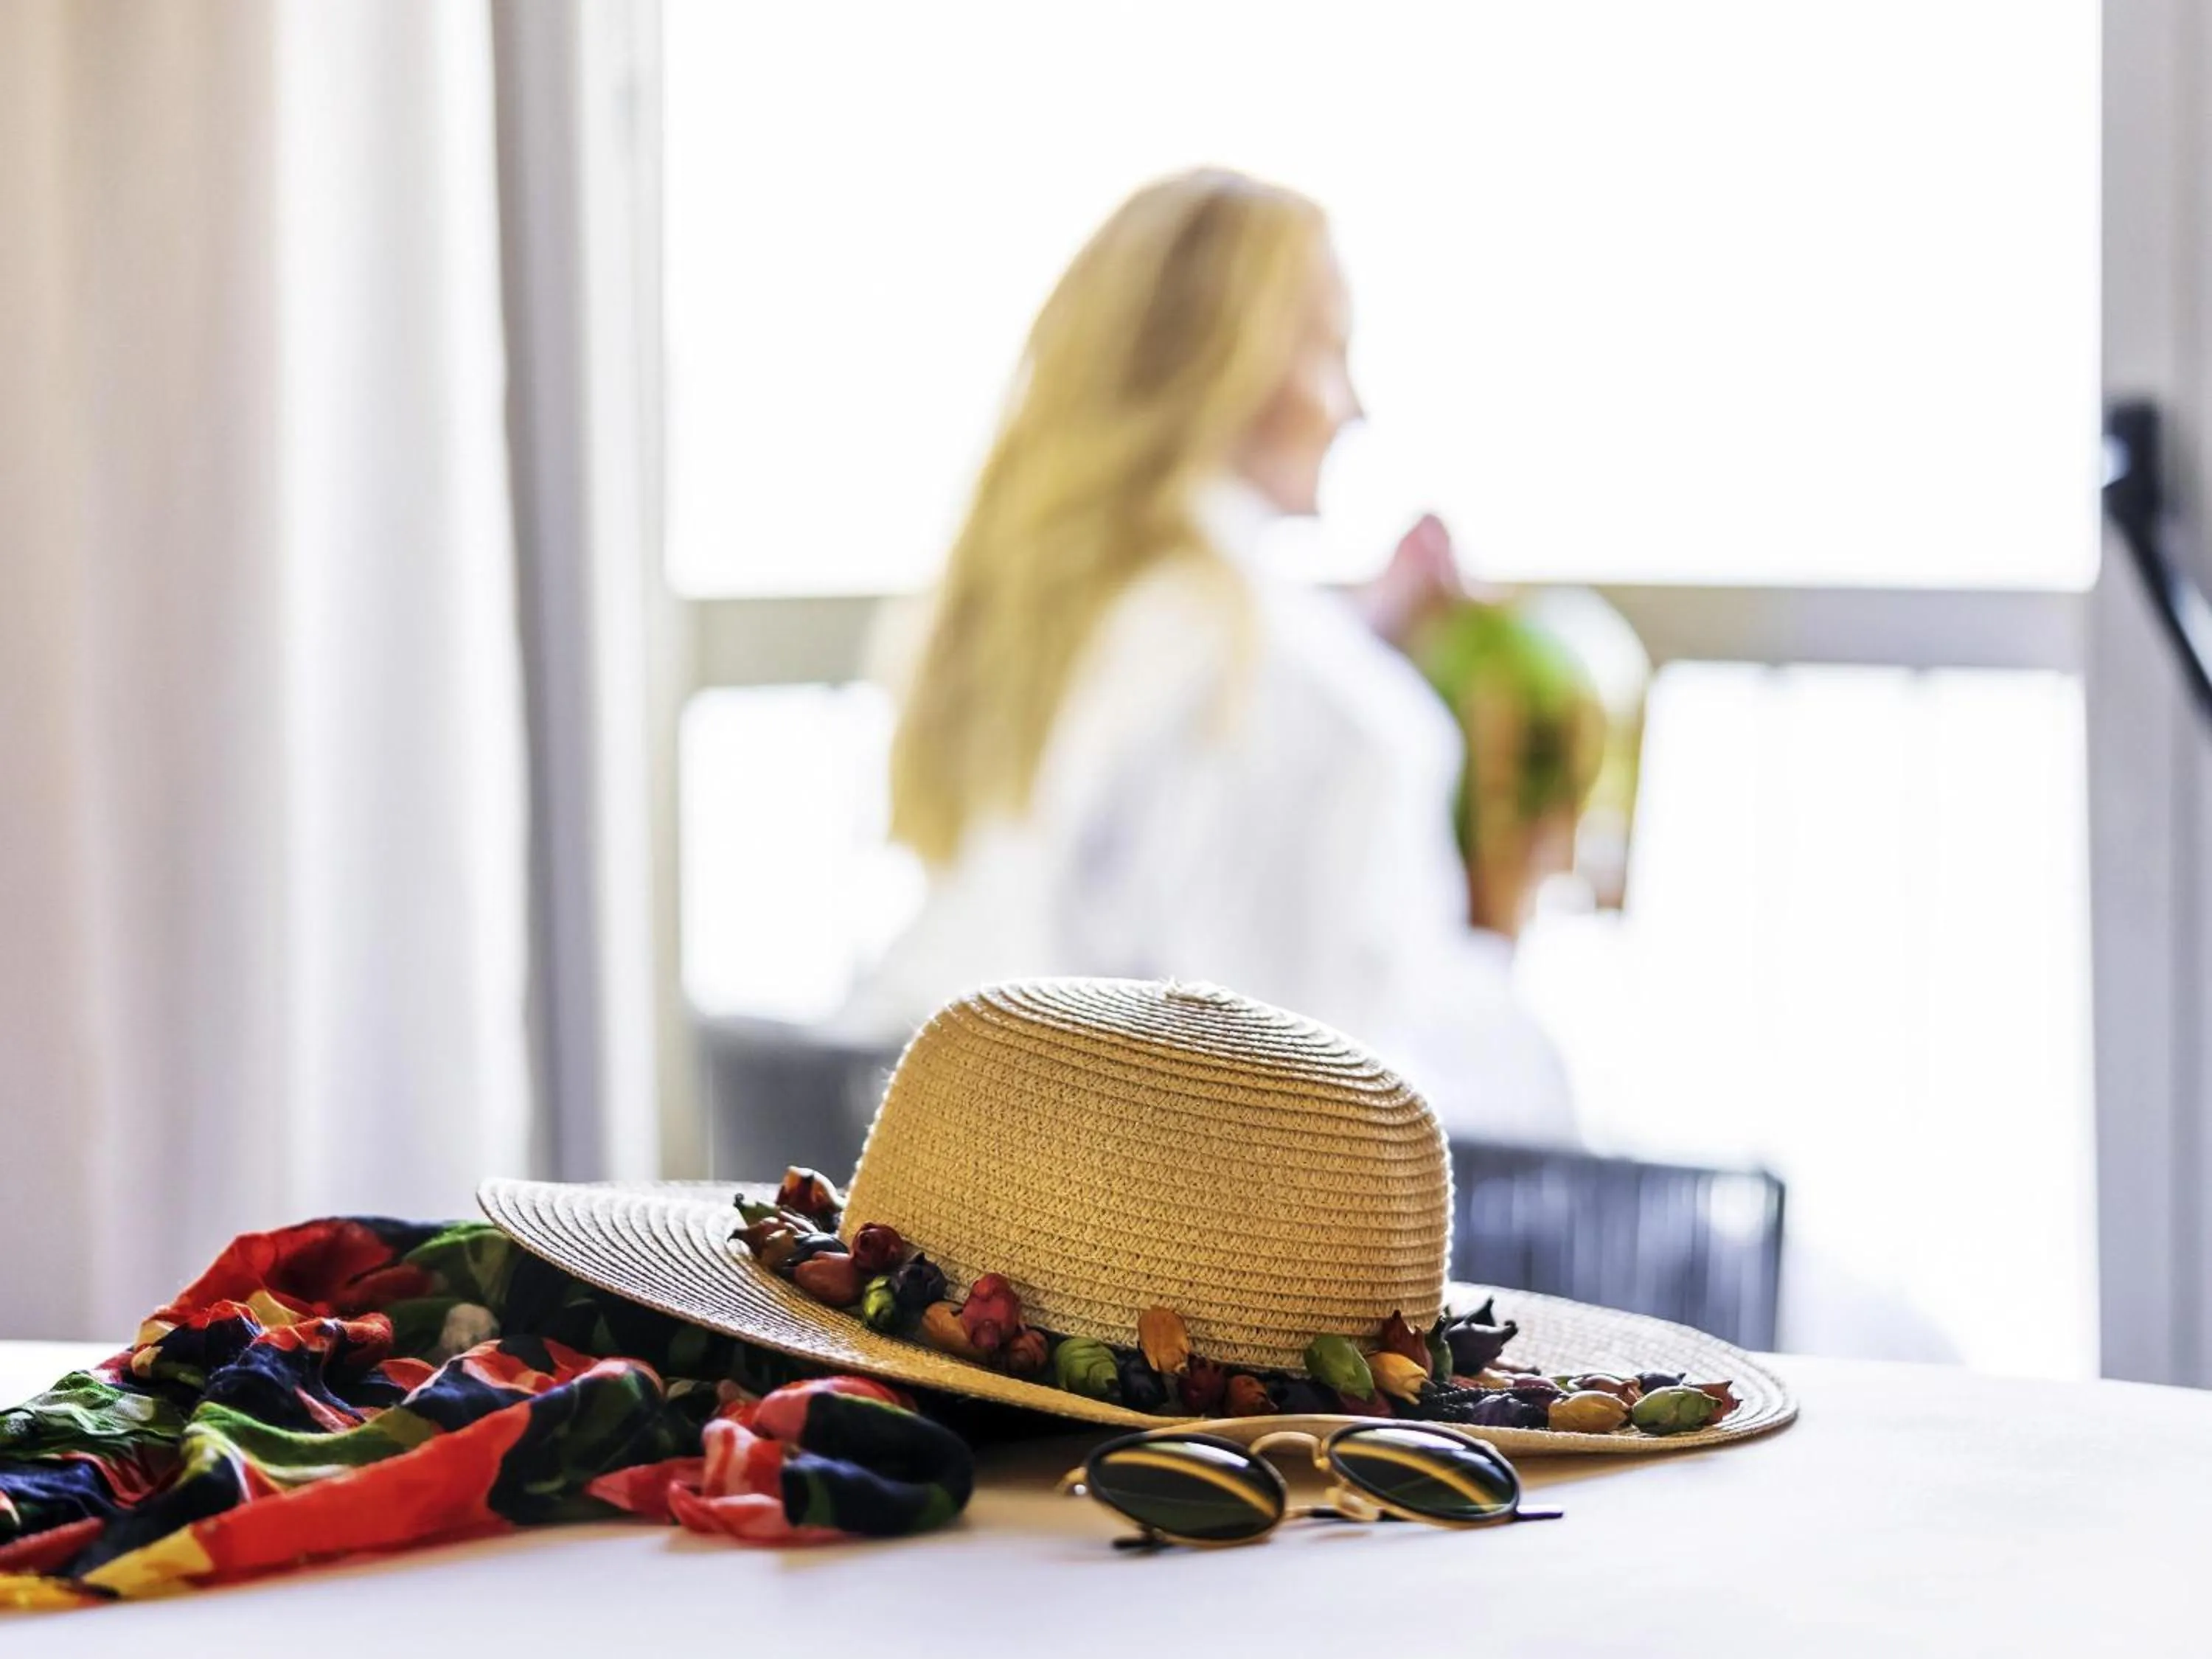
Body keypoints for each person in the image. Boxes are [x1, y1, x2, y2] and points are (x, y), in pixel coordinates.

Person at [842, 169, 1573, 1144]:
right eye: (1328, 348)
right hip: (1213, 1244)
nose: (1355, 407)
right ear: (1221, 364)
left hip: (982, 1192)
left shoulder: (1039, 629)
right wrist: (1502, 914)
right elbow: (1317, 1128)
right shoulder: (1291, 698)